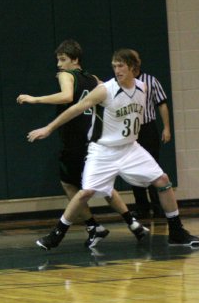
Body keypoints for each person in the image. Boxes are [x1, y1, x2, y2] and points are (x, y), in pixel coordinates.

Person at [27, 49, 199, 249]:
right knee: (85, 192)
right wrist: (48, 128)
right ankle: (56, 234)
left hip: (130, 148)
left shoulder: (143, 87)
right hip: (103, 150)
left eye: (121, 66)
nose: (117, 70)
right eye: (114, 66)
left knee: (163, 181)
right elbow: (75, 108)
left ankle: (176, 231)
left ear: (134, 68)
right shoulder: (105, 90)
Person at [17, 40, 147, 249]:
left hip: (76, 140)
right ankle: (132, 223)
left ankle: (92, 226)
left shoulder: (66, 75)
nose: (59, 64)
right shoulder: (94, 79)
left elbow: (67, 96)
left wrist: (35, 99)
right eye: (58, 60)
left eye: (63, 59)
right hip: (95, 139)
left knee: (70, 184)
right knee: (102, 185)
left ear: (75, 60)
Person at [127, 50, 172, 219]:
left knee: (152, 168)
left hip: (148, 129)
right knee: (133, 170)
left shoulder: (151, 81)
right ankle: (142, 208)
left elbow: (162, 104)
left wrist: (166, 128)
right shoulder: (122, 83)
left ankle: (158, 207)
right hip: (132, 130)